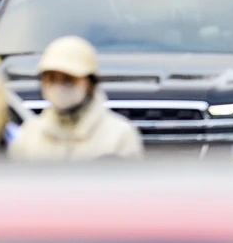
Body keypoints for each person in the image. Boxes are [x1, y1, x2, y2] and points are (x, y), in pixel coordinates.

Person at [9, 36, 144, 162]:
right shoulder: (30, 134)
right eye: (51, 79)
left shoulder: (119, 136)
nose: (59, 86)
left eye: (68, 79)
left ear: (90, 83)